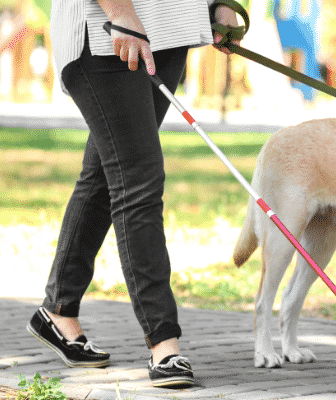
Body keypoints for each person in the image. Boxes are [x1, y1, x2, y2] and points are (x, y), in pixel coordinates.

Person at [27, 0, 242, 388]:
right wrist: (120, 11)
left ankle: (57, 309)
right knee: (138, 180)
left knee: (105, 176)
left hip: (171, 25)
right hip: (108, 28)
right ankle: (164, 343)